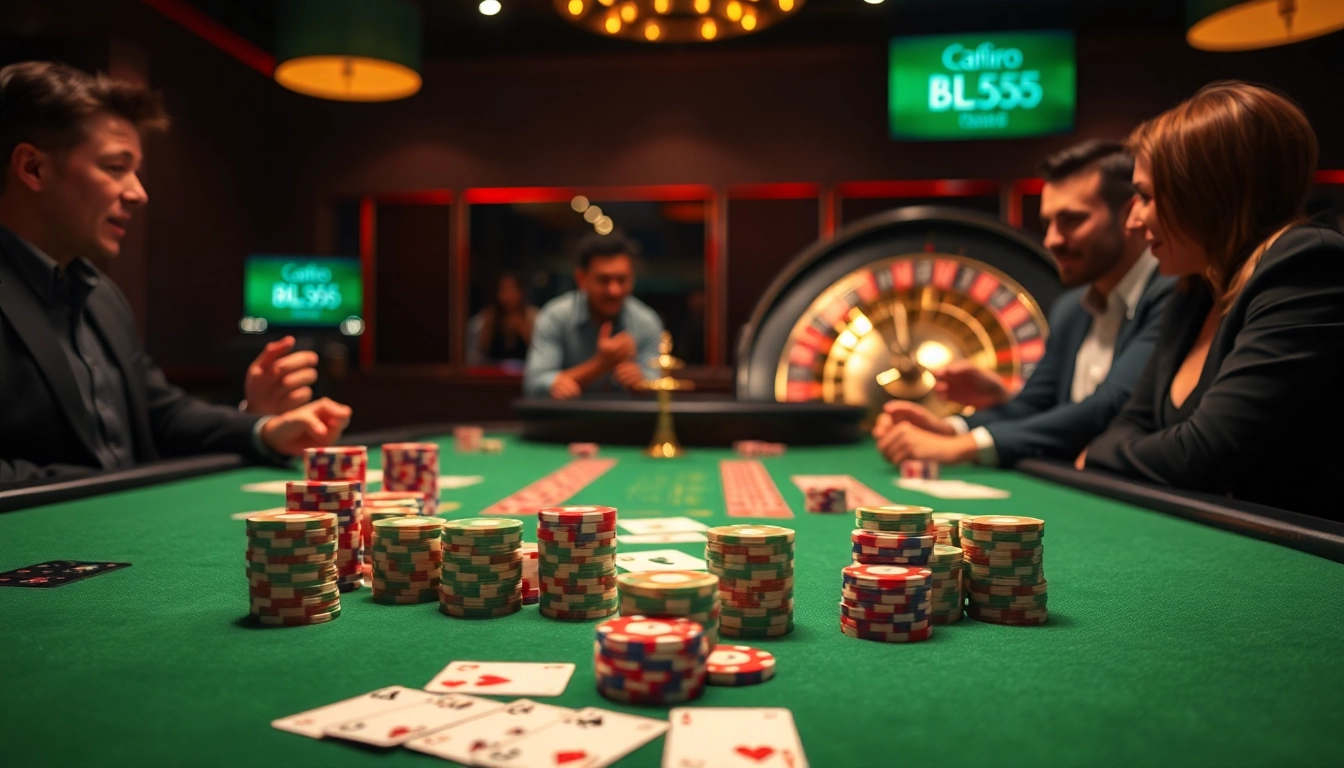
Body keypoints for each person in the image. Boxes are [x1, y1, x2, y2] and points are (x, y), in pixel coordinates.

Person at [0, 61, 351, 488]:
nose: (138, 193)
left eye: (136, 171)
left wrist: (264, 429)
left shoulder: (101, 295)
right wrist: (109, 493)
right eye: (115, 168)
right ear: (33, 169)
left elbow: (159, 412)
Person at [1084, 82, 1344, 518]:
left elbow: (1202, 455)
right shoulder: (1194, 290)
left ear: (1204, 192)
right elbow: (1129, 424)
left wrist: (1098, 453)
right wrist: (1112, 447)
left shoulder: (1307, 266)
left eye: (1146, 196)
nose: (1132, 219)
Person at [873, 140, 1176, 468]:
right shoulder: (1071, 308)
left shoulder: (1171, 295)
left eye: (1072, 221)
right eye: (1048, 223)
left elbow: (1109, 405)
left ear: (1132, 214)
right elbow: (1033, 405)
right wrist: (949, 428)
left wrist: (961, 448)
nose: (1052, 240)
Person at [523, 231, 663, 399]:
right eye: (604, 280)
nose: (614, 290)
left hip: (628, 423)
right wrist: (601, 364)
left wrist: (641, 381)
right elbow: (535, 384)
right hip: (565, 422)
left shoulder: (646, 321)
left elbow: (656, 383)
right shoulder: (555, 316)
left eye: (622, 280)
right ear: (581, 279)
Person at [467, 272, 537, 368]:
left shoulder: (533, 316)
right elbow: (477, 353)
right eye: (503, 290)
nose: (508, 295)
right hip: (493, 373)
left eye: (512, 289)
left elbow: (540, 351)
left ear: (521, 291)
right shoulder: (486, 318)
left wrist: (522, 328)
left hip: (525, 373)